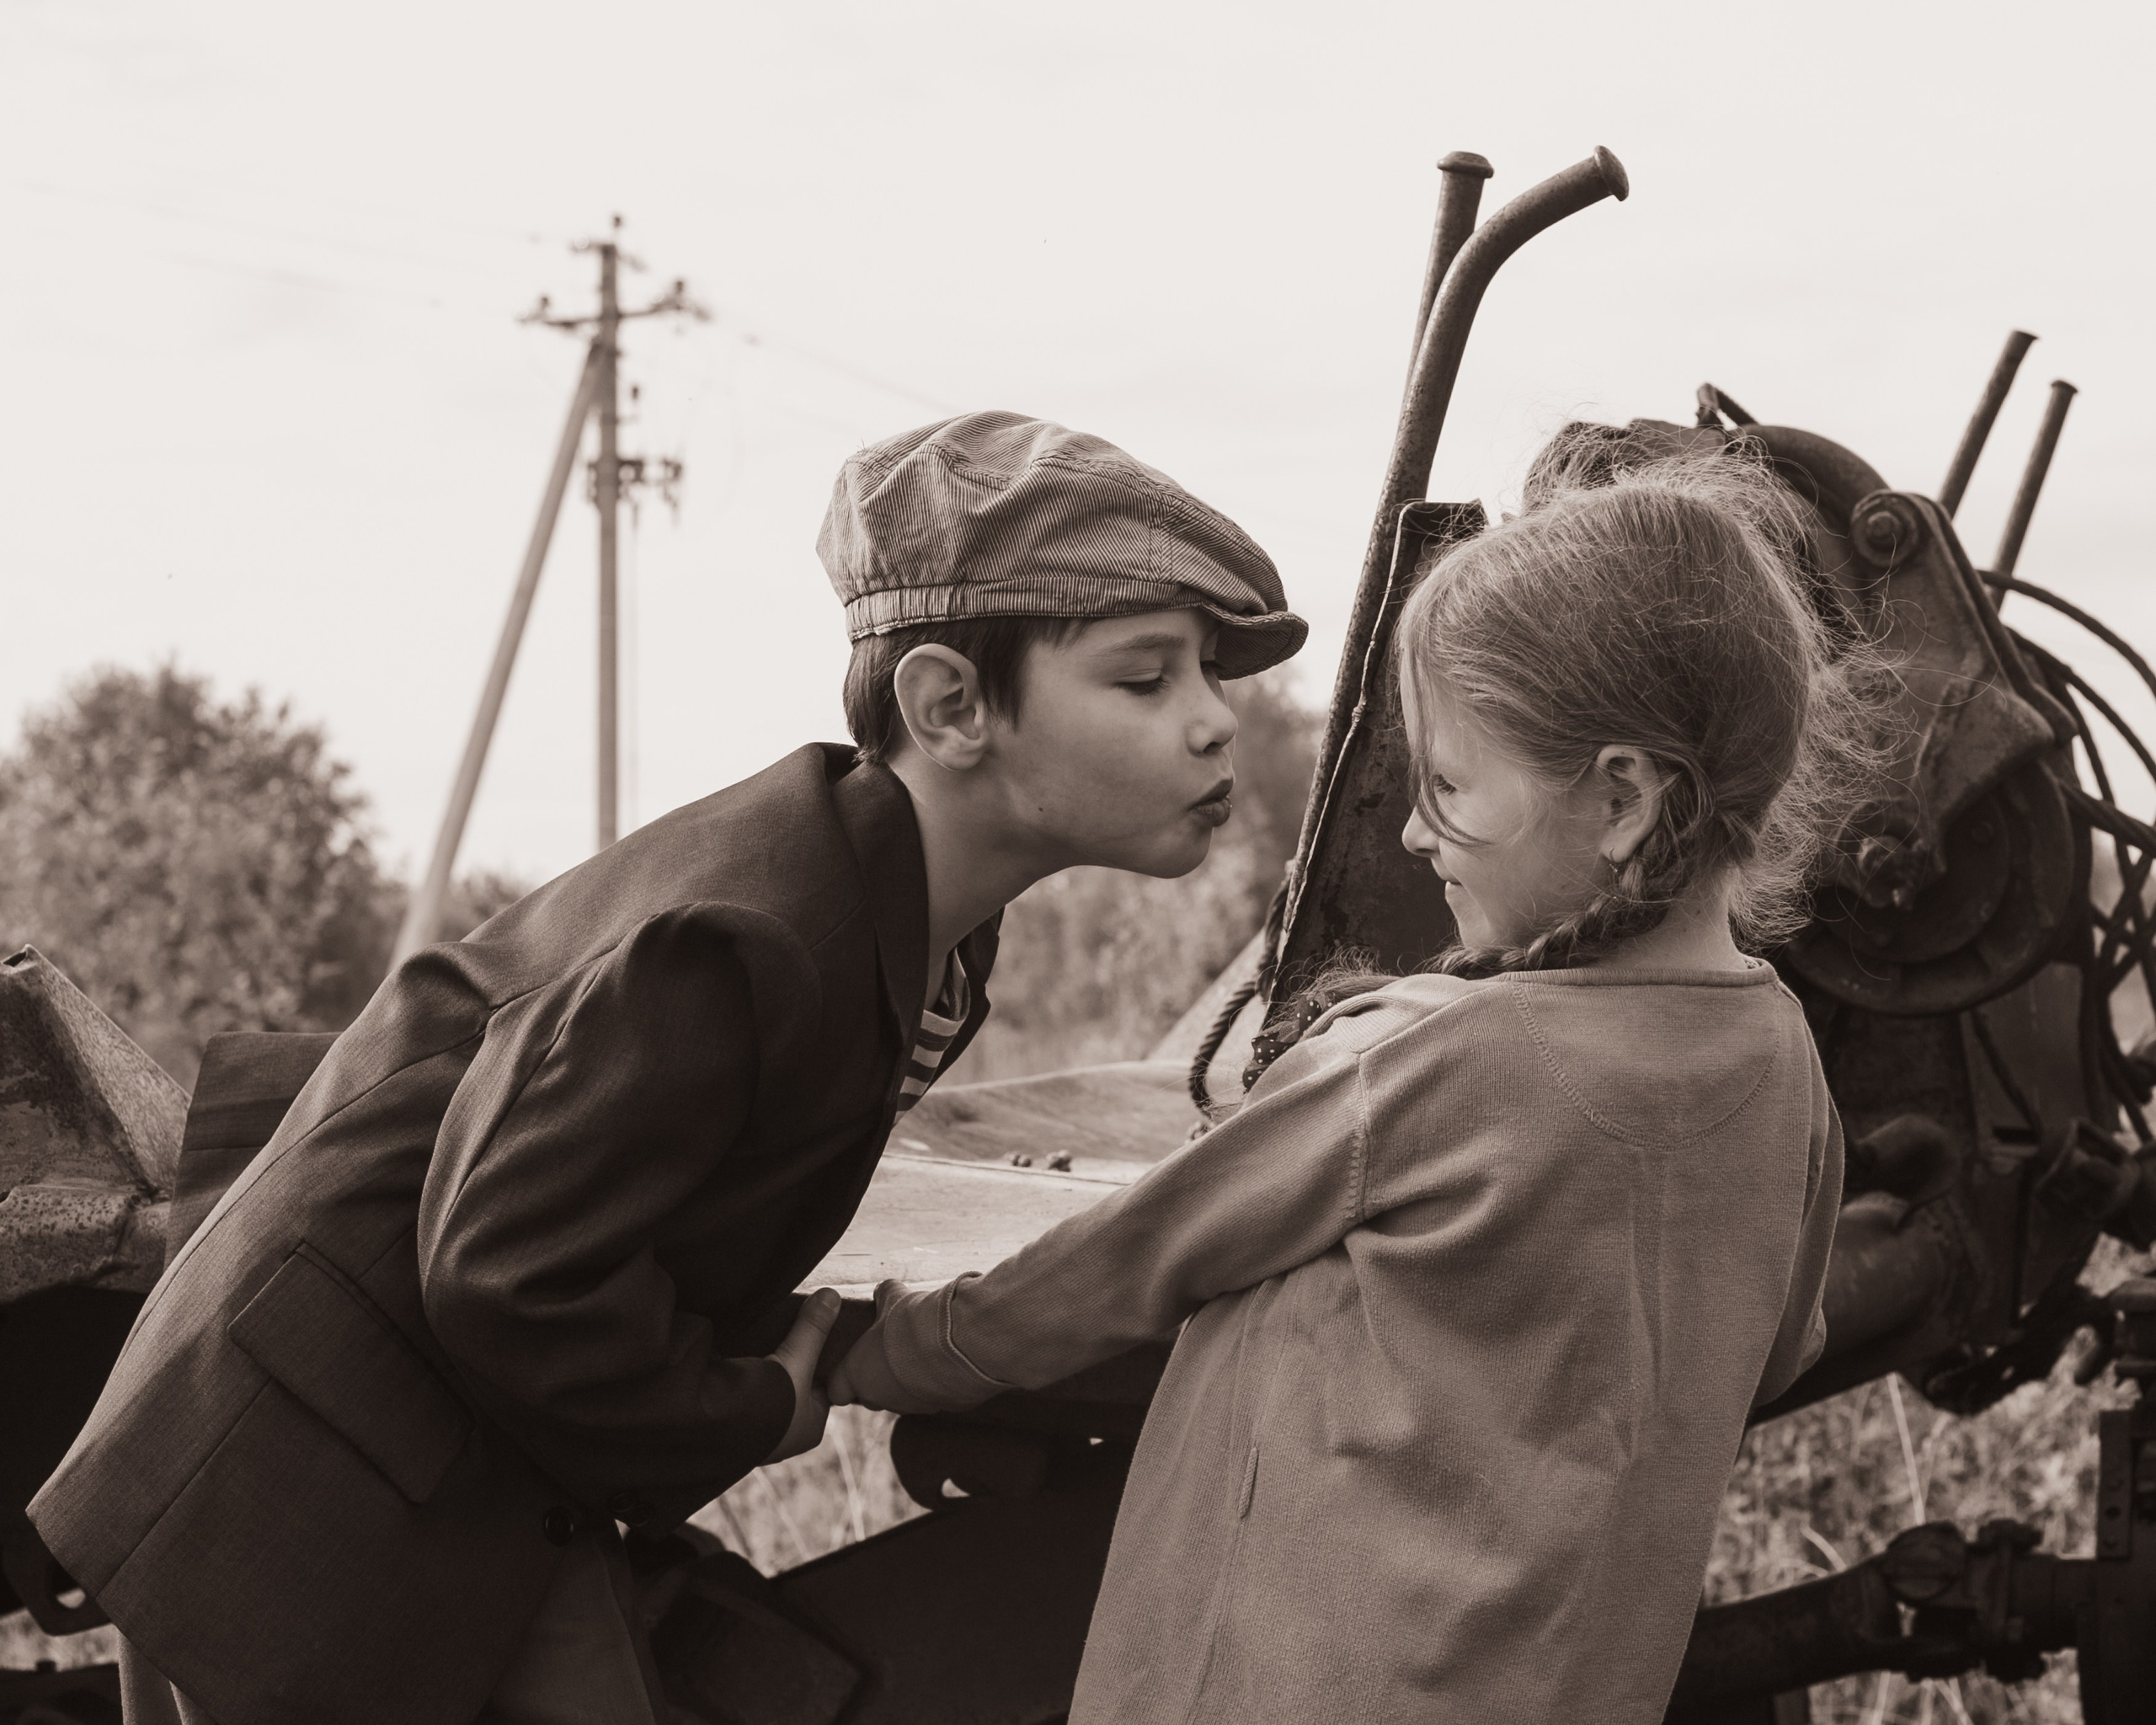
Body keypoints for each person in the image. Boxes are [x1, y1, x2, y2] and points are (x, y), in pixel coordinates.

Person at [29, 410, 1305, 1725]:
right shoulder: (741, 941)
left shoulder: (924, 924)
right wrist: (758, 1403)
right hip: (294, 1502)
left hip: (422, 1467)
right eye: (1147, 680)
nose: (1216, 724)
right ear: (950, 705)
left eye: (1212, 673)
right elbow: (511, 1277)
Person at [830, 438, 1869, 1724]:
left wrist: (864, 1352)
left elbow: (1123, 1264)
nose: (1419, 829)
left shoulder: (1434, 1061)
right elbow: (1774, 1350)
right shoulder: (1786, 1069)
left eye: (1446, 783)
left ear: (1620, 801)